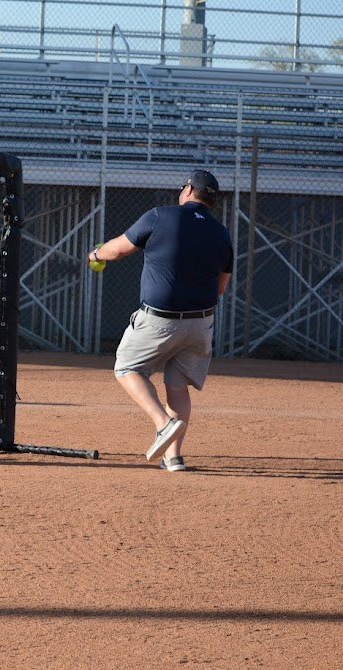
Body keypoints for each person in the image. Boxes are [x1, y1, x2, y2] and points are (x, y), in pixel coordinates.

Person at [88, 170, 233, 472]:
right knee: (178, 387)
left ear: (189, 190)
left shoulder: (160, 216)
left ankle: (163, 423)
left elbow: (117, 250)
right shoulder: (222, 233)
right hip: (200, 324)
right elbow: (220, 288)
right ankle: (174, 457)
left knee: (126, 366)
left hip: (160, 319)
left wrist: (96, 253)